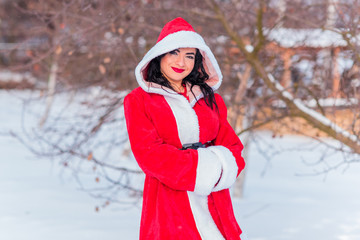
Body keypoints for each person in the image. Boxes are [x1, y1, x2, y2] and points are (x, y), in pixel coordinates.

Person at [124, 17, 245, 240]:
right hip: (169, 197)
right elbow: (149, 154)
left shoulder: (211, 99)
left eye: (189, 55)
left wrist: (219, 170)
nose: (182, 61)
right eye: (174, 52)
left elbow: (232, 146)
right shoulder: (139, 100)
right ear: (160, 54)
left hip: (215, 198)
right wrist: (201, 169)